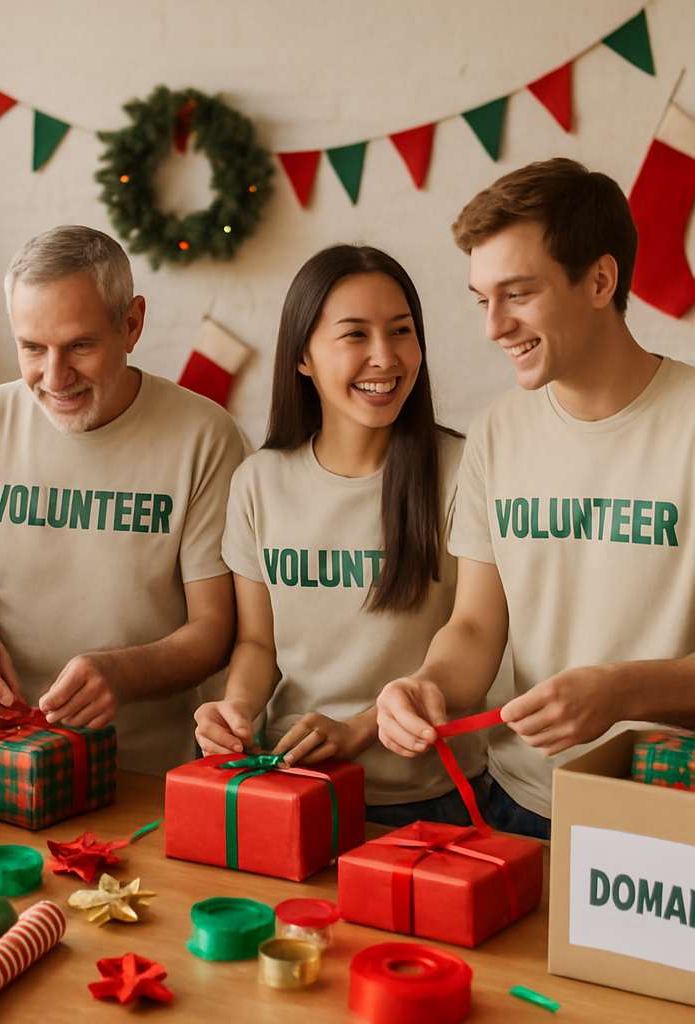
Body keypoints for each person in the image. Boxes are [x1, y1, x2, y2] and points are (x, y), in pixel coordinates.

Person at [376, 158, 695, 840]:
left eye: (517, 294)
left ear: (600, 280)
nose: (493, 327)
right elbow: (475, 627)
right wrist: (426, 683)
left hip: (665, 812)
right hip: (518, 806)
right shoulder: (497, 430)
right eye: (481, 298)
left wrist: (623, 692)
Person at [0, 225, 246, 775]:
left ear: (132, 324)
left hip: (144, 775)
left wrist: (122, 673)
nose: (54, 376)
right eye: (32, 348)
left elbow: (214, 629)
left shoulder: (205, 436)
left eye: (80, 346)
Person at [193, 244, 486, 825]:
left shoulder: (462, 471)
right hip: (287, 783)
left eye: (401, 331)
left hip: (428, 796)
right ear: (303, 356)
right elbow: (259, 644)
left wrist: (360, 730)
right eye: (355, 335)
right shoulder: (259, 481)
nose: (385, 356)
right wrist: (237, 709)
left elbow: (473, 631)